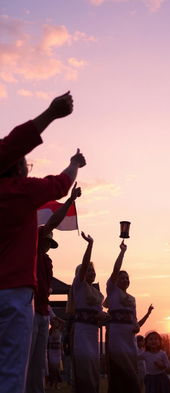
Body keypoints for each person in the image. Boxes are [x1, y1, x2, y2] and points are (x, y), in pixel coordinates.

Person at [0, 93, 86, 393]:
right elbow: (61, 184)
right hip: (14, 294)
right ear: (18, 168)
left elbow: (13, 142)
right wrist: (74, 163)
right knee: (12, 374)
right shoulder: (22, 191)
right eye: (25, 162)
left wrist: (49, 114)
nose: (28, 166)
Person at [25, 183, 81, 393]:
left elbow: (45, 295)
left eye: (50, 243)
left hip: (41, 314)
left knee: (40, 364)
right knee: (26, 360)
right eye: (47, 240)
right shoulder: (32, 253)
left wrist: (50, 315)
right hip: (28, 312)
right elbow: (51, 223)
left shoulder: (47, 262)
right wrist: (69, 201)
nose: (48, 244)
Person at [0, 91, 73, 174]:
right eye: (25, 164)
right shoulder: (19, 186)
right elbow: (57, 184)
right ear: (19, 167)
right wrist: (51, 113)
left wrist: (51, 113)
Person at [70, 232, 106, 393]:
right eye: (88, 270)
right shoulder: (79, 286)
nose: (91, 272)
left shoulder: (98, 294)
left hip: (94, 334)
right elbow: (84, 265)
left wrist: (104, 317)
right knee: (83, 367)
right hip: (81, 333)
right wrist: (90, 244)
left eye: (93, 270)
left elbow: (100, 315)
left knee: (93, 368)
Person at [104, 241, 141, 393]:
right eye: (122, 278)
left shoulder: (132, 299)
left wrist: (136, 326)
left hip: (129, 340)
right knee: (118, 372)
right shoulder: (112, 290)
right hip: (116, 338)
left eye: (127, 278)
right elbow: (115, 270)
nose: (125, 280)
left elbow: (134, 320)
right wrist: (122, 252)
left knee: (132, 372)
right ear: (116, 281)